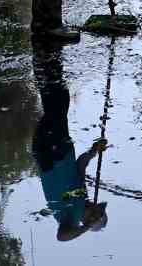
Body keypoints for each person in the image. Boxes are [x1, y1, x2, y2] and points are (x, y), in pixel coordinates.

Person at [32, 45, 110, 242]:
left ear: (92, 216)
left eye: (96, 209)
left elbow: (62, 237)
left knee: (56, 101)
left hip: (50, 153)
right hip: (61, 146)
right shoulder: (81, 195)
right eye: (98, 206)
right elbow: (80, 166)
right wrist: (93, 151)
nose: (95, 204)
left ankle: (44, 57)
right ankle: (48, 57)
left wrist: (86, 227)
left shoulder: (70, 219)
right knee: (59, 99)